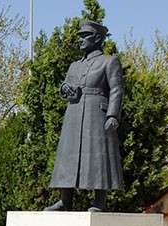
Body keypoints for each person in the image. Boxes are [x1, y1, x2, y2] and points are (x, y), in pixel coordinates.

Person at [45, 19, 124, 212]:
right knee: (68, 156)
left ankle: (99, 202)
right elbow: (63, 86)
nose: (80, 39)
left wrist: (113, 115)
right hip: (74, 111)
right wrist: (65, 89)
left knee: (99, 156)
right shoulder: (74, 66)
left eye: (84, 36)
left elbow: (117, 89)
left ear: (97, 38)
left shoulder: (109, 61)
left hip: (97, 113)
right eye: (79, 36)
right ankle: (65, 201)